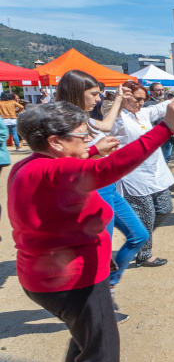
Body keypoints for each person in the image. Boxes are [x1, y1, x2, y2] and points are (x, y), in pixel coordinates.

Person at [7, 100, 174, 362]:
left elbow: (65, 171)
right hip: (75, 280)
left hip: (44, 275)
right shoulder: (59, 170)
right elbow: (109, 168)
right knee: (101, 355)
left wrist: (89, 150)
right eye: (82, 135)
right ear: (56, 142)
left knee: (85, 344)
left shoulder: (28, 165)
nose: (88, 139)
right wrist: (167, 126)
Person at [56, 70, 149, 302]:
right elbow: (66, 165)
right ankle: (101, 297)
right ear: (78, 93)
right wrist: (97, 151)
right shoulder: (64, 122)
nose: (98, 99)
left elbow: (106, 126)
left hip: (107, 188)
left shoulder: (83, 118)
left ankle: (108, 284)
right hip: (91, 193)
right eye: (94, 94)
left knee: (139, 235)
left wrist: (118, 98)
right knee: (101, 252)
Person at [109, 81, 174, 267]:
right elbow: (112, 126)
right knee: (147, 215)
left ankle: (141, 237)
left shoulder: (142, 113)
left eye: (144, 99)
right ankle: (144, 253)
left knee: (165, 208)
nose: (141, 103)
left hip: (155, 172)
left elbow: (160, 108)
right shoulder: (118, 118)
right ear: (126, 97)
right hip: (135, 175)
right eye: (137, 99)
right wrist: (118, 103)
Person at [145, 82, 173, 162]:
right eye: (158, 90)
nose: (161, 92)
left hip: (167, 136)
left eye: (162, 90)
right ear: (152, 92)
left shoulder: (163, 102)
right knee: (160, 161)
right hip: (158, 137)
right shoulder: (150, 105)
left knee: (166, 159)